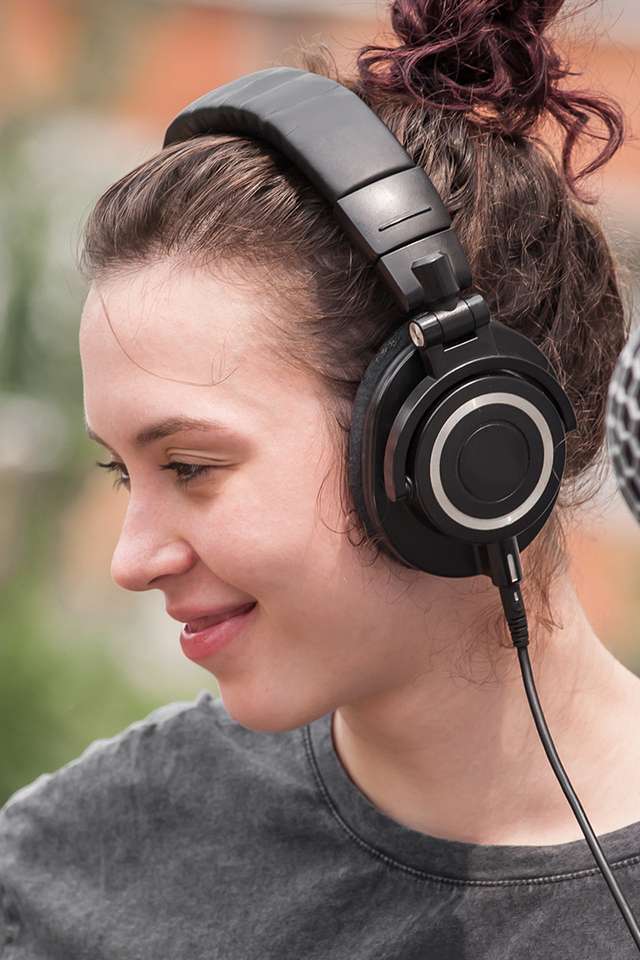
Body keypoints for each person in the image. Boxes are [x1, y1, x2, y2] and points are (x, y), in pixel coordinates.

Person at [2, 0, 639, 957]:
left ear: (462, 448)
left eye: (190, 465)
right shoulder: (70, 870)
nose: (131, 560)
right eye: (120, 470)